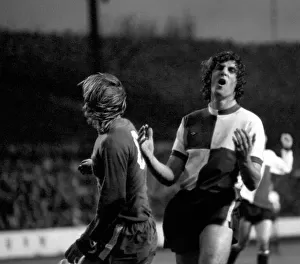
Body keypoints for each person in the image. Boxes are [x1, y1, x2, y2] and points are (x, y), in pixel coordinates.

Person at [138, 51, 265, 264]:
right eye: (219, 68)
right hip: (186, 208)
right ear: (211, 76)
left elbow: (253, 182)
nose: (224, 72)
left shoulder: (250, 122)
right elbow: (170, 176)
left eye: (231, 70)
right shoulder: (190, 122)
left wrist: (243, 159)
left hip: (221, 202)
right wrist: (148, 155)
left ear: (236, 82)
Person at [60, 73, 157, 264]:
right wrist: (98, 165)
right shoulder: (125, 126)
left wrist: (85, 242)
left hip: (127, 233)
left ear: (98, 107)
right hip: (137, 229)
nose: (84, 106)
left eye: (88, 101)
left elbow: (113, 202)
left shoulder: (112, 141)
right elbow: (127, 166)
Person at [227, 133, 293, 264]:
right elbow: (235, 181)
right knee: (240, 244)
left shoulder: (268, 155)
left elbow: (286, 168)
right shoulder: (242, 156)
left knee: (264, 244)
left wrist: (287, 149)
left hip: (264, 207)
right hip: (246, 205)